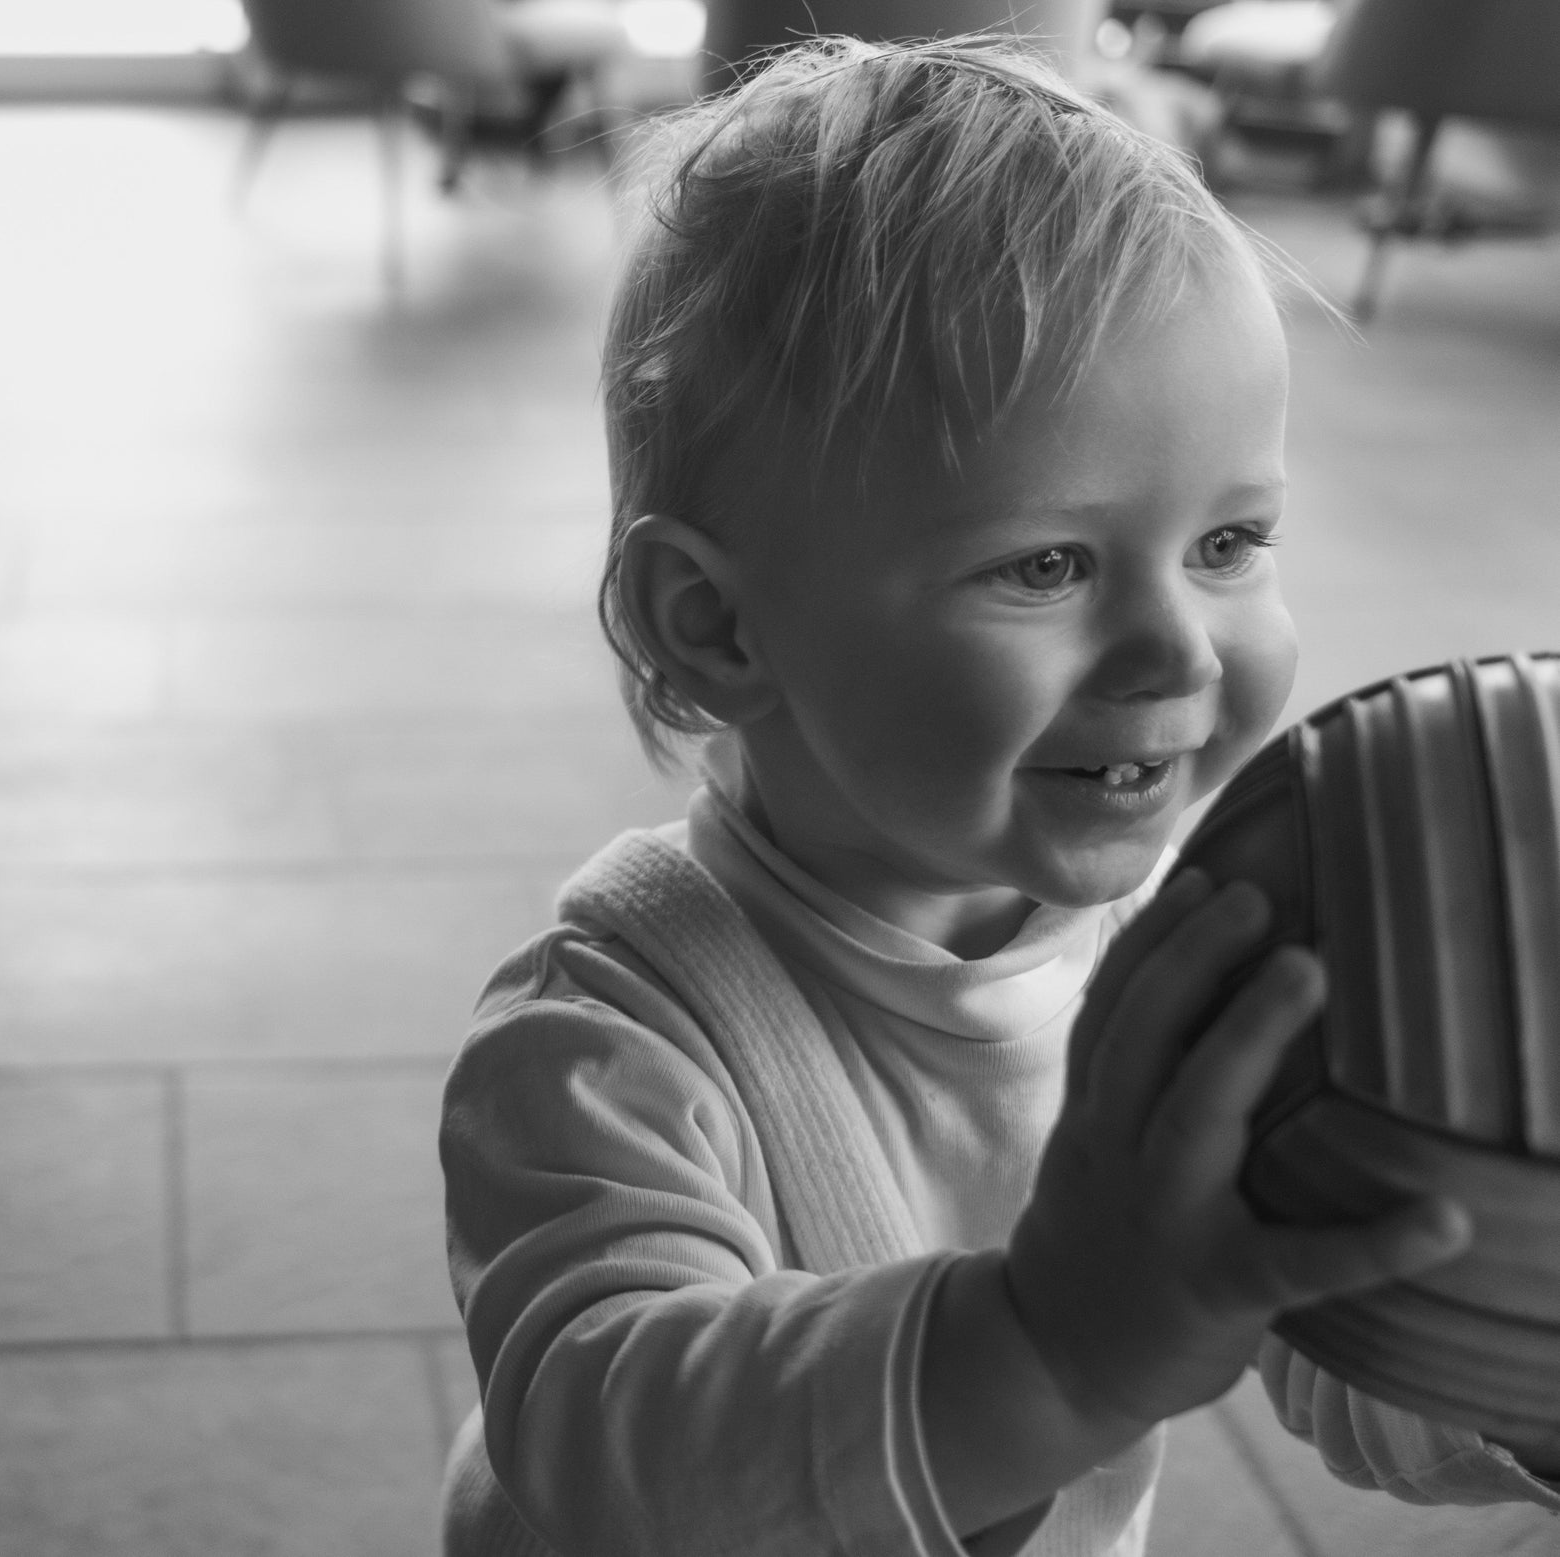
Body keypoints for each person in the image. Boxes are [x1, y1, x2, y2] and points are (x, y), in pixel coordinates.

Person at [437, 36, 1560, 1556]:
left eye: (1230, 543)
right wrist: (1049, 1345)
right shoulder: (607, 1039)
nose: (1174, 648)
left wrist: (1514, 1352)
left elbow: (1336, 1306)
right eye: (1046, 564)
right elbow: (607, 1446)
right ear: (716, 626)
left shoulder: (1205, 965)